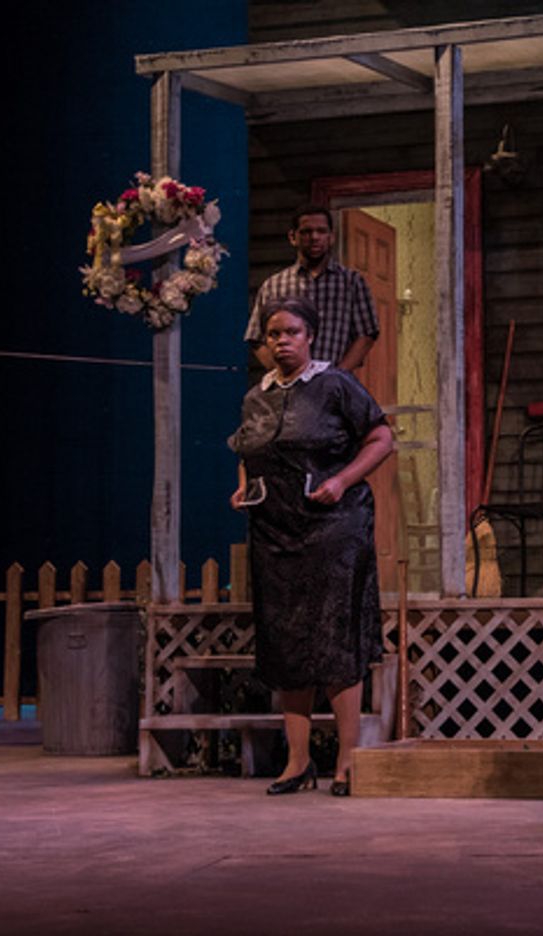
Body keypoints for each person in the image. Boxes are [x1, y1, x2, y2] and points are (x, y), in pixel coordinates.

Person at [228, 295, 394, 796]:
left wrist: (342, 481)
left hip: (333, 528)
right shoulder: (256, 397)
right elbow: (249, 450)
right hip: (275, 533)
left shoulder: (335, 385)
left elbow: (382, 439)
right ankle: (297, 762)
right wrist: (242, 485)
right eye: (274, 334)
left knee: (334, 640)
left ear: (311, 336)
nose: (282, 341)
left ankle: (347, 762)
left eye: (292, 333)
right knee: (285, 643)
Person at [244, 204, 379, 376]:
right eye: (306, 232)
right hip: (289, 389)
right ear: (293, 237)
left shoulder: (351, 283)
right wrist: (281, 373)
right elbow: (256, 338)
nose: (314, 237)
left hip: (334, 386)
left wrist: (339, 375)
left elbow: (366, 334)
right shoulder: (273, 285)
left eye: (321, 231)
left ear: (331, 237)